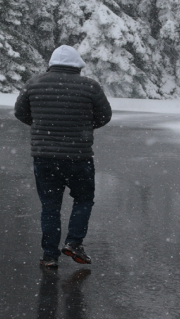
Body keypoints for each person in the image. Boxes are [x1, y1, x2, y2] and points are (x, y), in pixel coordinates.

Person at [14, 45, 112, 268]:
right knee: (83, 199)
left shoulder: (34, 83)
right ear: (77, 65)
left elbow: (20, 113)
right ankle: (74, 242)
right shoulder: (90, 87)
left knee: (50, 207)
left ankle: (49, 256)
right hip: (79, 156)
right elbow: (105, 116)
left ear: (52, 64)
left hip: (44, 157)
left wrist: (42, 126)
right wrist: (83, 127)